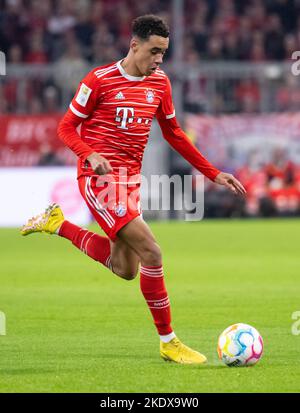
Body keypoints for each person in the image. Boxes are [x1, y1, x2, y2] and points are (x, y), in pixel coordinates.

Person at [21, 15, 246, 364]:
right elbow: (66, 128)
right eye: (154, 51)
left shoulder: (160, 83)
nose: (158, 60)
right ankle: (169, 341)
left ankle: (58, 224)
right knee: (152, 253)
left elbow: (173, 134)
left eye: (164, 53)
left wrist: (212, 172)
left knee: (125, 268)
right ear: (134, 45)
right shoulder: (98, 80)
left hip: (130, 183)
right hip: (99, 182)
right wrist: (89, 153)